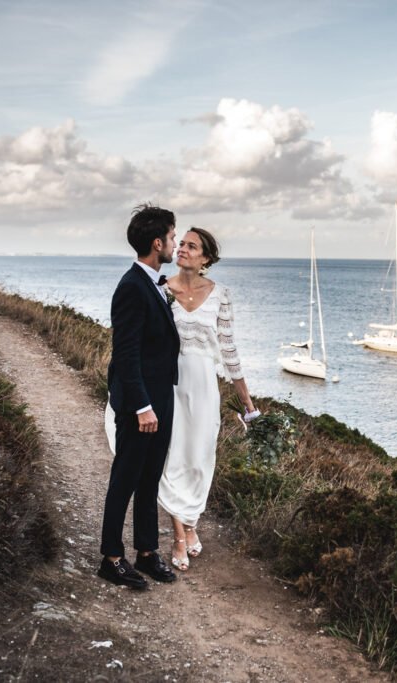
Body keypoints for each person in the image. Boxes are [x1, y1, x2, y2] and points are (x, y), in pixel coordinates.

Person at [157, 227, 258, 572]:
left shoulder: (220, 295)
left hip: (203, 389)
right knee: (172, 459)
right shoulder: (161, 289)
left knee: (199, 460)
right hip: (168, 385)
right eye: (181, 243)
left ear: (206, 259)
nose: (182, 249)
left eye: (191, 246)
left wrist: (247, 401)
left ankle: (191, 523)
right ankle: (179, 537)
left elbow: (229, 351)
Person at [98, 204, 180, 590]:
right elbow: (126, 354)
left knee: (150, 480)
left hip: (161, 397)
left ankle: (146, 553)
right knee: (126, 479)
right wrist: (142, 407)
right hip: (139, 403)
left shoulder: (153, 283)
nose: (176, 244)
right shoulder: (132, 287)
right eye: (173, 237)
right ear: (157, 243)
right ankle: (111, 558)